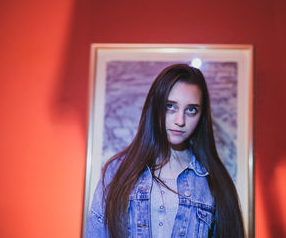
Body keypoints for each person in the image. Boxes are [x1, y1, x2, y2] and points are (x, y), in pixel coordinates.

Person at [86, 64, 245, 238]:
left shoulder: (214, 181)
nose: (180, 120)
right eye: (170, 106)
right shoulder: (116, 172)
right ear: (155, 106)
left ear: (201, 116)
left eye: (191, 110)